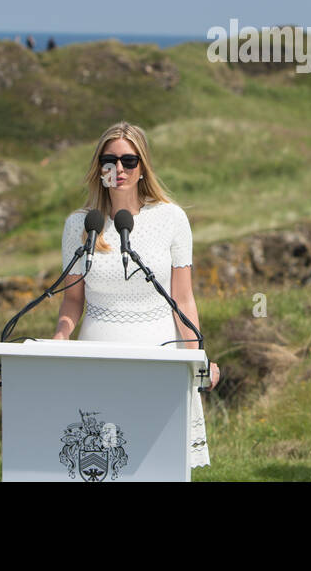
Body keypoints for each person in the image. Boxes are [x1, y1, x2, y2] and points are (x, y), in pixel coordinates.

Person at [52, 121, 219, 470]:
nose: (119, 169)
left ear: (143, 167)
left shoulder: (172, 219)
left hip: (161, 355)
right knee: (105, 464)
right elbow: (72, 300)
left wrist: (197, 360)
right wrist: (57, 341)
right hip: (98, 354)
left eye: (129, 161)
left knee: (159, 465)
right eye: (109, 160)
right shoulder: (80, 225)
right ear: (99, 167)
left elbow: (183, 299)